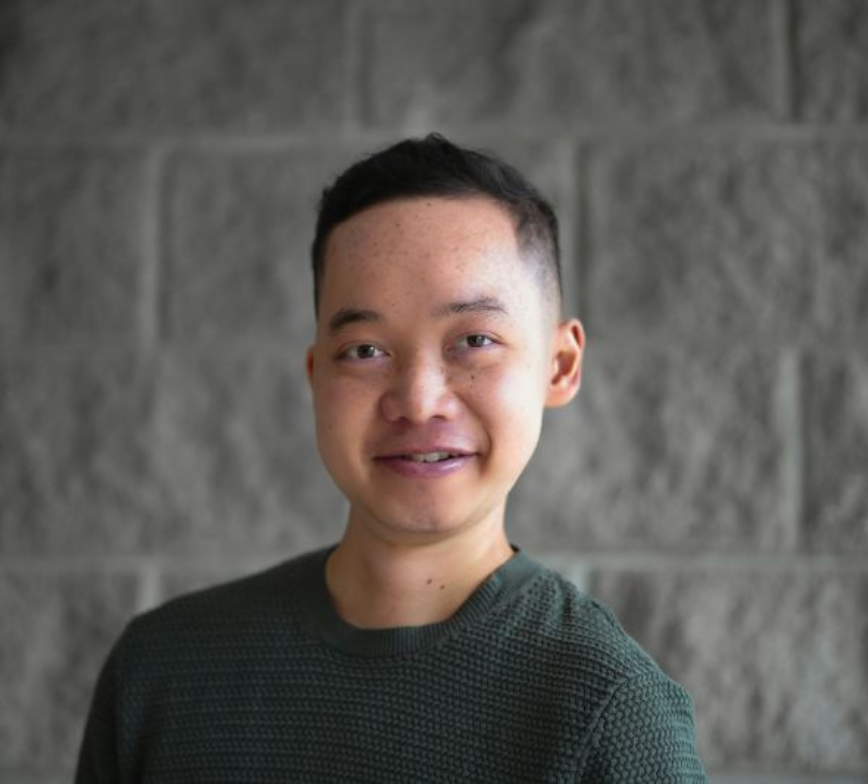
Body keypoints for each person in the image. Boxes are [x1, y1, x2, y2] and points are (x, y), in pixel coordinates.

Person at [76, 134, 708, 782]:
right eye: (365, 351)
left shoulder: (613, 715)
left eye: (474, 340)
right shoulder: (161, 673)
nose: (417, 400)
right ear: (317, 374)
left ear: (560, 365)